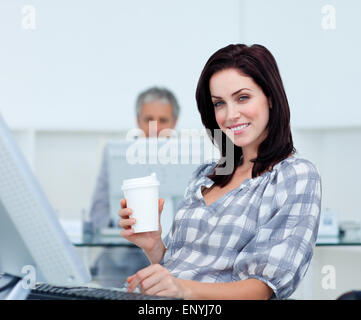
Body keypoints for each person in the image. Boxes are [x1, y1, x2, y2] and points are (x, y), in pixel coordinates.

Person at [118, 44, 322, 300]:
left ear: (270, 97)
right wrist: (154, 245)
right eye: (219, 103)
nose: (230, 115)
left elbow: (261, 290)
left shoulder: (294, 176)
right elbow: (183, 268)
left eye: (243, 98)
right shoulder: (206, 176)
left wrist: (182, 289)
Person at [88, 86, 180, 287]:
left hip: (172, 257)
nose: (155, 127)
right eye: (148, 120)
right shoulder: (117, 154)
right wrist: (119, 228)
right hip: (121, 256)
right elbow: (98, 211)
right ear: (138, 121)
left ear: (175, 122)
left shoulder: (188, 156)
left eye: (163, 120)